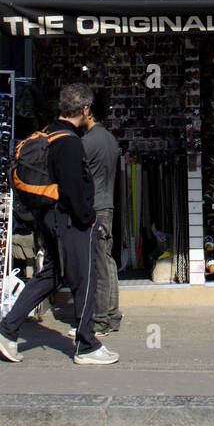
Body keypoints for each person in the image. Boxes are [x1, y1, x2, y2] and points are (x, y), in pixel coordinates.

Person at [0, 83, 118, 366]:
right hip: (69, 219)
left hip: (48, 216)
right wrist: (88, 218)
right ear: (84, 110)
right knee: (85, 278)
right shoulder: (69, 142)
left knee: (51, 275)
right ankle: (87, 345)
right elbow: (72, 187)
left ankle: (6, 329)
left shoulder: (47, 133)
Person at [81, 96, 122, 335]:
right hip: (107, 205)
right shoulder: (109, 139)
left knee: (99, 265)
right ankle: (111, 314)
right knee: (107, 261)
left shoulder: (87, 142)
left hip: (95, 207)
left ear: (88, 112)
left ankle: (100, 320)